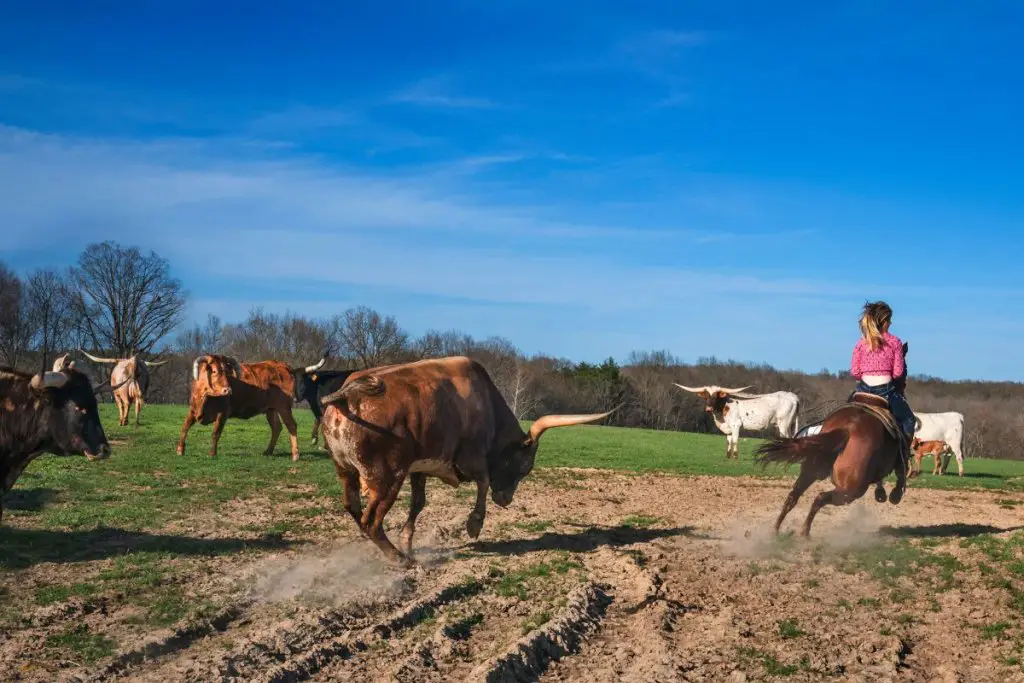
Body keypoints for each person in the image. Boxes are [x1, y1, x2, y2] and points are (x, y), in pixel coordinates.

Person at [849, 301, 915, 442]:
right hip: (886, 392)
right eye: (889, 320)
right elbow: (898, 373)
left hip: (862, 390)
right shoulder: (895, 342)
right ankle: (903, 458)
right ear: (884, 320)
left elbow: (855, 371)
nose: (890, 323)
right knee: (909, 419)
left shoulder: (861, 342)